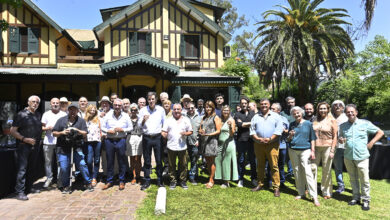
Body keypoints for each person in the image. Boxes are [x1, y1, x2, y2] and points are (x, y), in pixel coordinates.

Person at [339, 104, 384, 211]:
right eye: (348, 112)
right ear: (345, 114)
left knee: (364, 179)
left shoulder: (365, 124)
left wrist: (372, 142)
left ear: (356, 112)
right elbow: (341, 138)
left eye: (352, 111)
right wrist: (341, 140)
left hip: (362, 156)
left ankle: (366, 200)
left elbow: (380, 132)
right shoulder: (343, 126)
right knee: (353, 178)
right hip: (348, 156)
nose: (350, 113)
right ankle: (355, 197)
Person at [52, 103, 93, 194]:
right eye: (71, 109)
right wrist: (62, 132)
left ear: (78, 111)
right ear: (68, 110)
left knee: (82, 164)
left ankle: (88, 182)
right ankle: (66, 185)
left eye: (74, 109)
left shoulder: (81, 121)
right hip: (63, 148)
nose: (72, 111)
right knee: (64, 167)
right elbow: (54, 133)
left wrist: (77, 130)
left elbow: (85, 133)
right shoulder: (61, 120)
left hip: (76, 147)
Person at [11, 95, 42, 200]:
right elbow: (12, 131)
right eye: (33, 101)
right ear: (28, 102)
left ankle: (29, 188)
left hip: (35, 146)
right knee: (22, 169)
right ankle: (19, 191)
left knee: (31, 168)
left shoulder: (38, 114)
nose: (35, 104)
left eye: (37, 102)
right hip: (23, 146)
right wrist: (24, 139)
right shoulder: (21, 114)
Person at [287, 106, 320, 206]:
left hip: (305, 150)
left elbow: (313, 138)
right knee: (297, 171)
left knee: (308, 172)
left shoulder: (308, 124)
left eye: (298, 113)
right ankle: (301, 193)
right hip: (293, 150)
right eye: (294, 113)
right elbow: (288, 139)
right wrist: (291, 135)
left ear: (302, 113)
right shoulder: (292, 124)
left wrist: (313, 151)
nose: (296, 115)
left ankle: (314, 196)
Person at [250, 99, 283, 197]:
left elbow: (278, 130)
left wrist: (269, 139)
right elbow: (252, 130)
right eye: (262, 104)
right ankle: (260, 184)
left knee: (274, 166)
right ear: (259, 105)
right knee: (260, 165)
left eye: (266, 104)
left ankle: (276, 187)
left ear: (269, 105)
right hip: (258, 144)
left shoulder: (276, 116)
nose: (264, 105)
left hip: (272, 144)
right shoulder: (255, 117)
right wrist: (258, 139)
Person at [101, 99, 133, 190]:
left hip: (121, 140)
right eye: (115, 105)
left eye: (119, 105)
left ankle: (122, 180)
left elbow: (130, 128)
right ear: (113, 105)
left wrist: (123, 130)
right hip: (109, 140)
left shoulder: (126, 116)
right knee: (109, 161)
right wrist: (108, 130)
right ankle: (109, 181)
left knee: (121, 161)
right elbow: (102, 126)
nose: (117, 107)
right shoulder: (108, 115)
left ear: (122, 106)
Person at [138, 92, 166, 190]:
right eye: (149, 99)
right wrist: (143, 120)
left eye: (153, 99)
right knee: (147, 160)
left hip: (158, 137)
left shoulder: (161, 110)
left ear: (156, 99)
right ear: (147, 100)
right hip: (146, 137)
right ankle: (146, 181)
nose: (151, 101)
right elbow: (139, 125)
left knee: (159, 160)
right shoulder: (143, 110)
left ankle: (159, 180)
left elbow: (164, 123)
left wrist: (163, 132)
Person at [162, 104, 193, 190]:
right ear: (172, 110)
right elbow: (163, 131)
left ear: (181, 110)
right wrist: (164, 134)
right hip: (171, 146)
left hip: (182, 146)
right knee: (171, 165)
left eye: (178, 109)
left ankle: (182, 180)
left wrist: (185, 133)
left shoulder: (186, 120)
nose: (176, 111)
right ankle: (173, 181)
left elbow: (190, 131)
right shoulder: (168, 120)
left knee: (183, 164)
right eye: (175, 109)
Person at [312, 102, 338, 199]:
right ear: (318, 110)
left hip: (328, 147)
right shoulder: (315, 120)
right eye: (320, 108)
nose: (322, 110)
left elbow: (335, 136)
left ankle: (326, 191)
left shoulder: (332, 121)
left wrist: (332, 150)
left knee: (326, 170)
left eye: (324, 108)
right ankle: (312, 189)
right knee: (312, 168)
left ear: (328, 109)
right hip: (316, 147)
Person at [41, 97, 67, 188]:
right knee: (48, 161)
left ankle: (60, 179)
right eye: (53, 103)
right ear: (50, 104)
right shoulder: (46, 114)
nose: (55, 104)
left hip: (60, 141)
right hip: (48, 141)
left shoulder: (64, 114)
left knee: (60, 161)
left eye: (57, 103)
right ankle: (49, 178)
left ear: (59, 104)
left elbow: (66, 127)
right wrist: (47, 128)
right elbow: (42, 128)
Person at [234, 96, 257, 187]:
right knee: (241, 160)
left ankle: (254, 178)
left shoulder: (253, 114)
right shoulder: (237, 114)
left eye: (245, 103)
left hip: (251, 140)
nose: (243, 105)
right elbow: (239, 124)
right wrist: (249, 123)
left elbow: (255, 124)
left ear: (247, 104)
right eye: (242, 103)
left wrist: (244, 124)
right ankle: (241, 179)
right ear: (240, 104)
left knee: (252, 160)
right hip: (241, 140)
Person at [199, 101, 221, 189]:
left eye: (209, 107)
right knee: (207, 161)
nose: (207, 109)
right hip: (204, 141)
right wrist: (201, 131)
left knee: (211, 161)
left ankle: (211, 180)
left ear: (213, 108)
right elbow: (200, 127)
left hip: (212, 141)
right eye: (206, 107)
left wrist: (209, 134)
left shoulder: (215, 117)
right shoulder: (204, 117)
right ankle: (210, 178)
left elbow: (219, 130)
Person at [215, 105, 238, 188]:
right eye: (224, 110)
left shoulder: (231, 120)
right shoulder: (219, 119)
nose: (226, 112)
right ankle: (219, 177)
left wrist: (230, 126)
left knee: (226, 162)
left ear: (229, 111)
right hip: (220, 143)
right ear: (222, 111)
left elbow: (232, 134)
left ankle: (226, 182)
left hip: (228, 144)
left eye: (227, 110)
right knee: (218, 160)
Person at [270, 102, 289, 188]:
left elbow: (287, 131)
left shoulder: (284, 119)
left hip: (282, 145)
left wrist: (285, 131)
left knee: (281, 165)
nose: (271, 110)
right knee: (271, 164)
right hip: (271, 145)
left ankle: (281, 181)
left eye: (273, 109)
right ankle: (270, 181)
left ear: (278, 110)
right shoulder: (268, 118)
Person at [331, 100, 348, 193]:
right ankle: (340, 185)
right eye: (335, 105)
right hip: (335, 146)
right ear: (332, 107)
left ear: (343, 107)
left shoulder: (347, 117)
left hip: (346, 146)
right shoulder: (329, 117)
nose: (337, 107)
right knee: (338, 167)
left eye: (340, 105)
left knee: (351, 167)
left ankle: (355, 187)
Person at [84, 104, 102, 187]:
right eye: (91, 110)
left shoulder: (98, 119)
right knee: (89, 160)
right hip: (88, 141)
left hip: (97, 141)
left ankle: (95, 177)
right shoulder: (84, 120)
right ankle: (90, 176)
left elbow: (101, 129)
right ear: (88, 111)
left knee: (97, 160)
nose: (92, 111)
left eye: (94, 110)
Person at [126, 103, 143, 185]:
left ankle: (139, 176)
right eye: (132, 110)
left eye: (135, 110)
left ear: (137, 110)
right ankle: (134, 176)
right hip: (130, 137)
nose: (133, 111)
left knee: (138, 158)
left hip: (139, 137)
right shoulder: (127, 118)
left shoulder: (140, 119)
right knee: (132, 158)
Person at [186, 102, 202, 185]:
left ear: (195, 108)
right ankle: (183, 176)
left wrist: (198, 140)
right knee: (184, 161)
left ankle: (192, 176)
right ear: (186, 108)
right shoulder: (183, 117)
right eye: (189, 108)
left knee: (194, 160)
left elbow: (201, 130)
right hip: (184, 142)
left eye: (192, 108)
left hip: (195, 142)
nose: (190, 109)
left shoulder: (199, 118)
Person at [281, 96, 295, 178]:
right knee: (287, 155)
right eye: (289, 102)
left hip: (295, 136)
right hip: (285, 137)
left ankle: (293, 171)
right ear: (286, 103)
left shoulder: (297, 111)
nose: (290, 104)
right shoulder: (283, 113)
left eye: (292, 102)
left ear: (294, 102)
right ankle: (290, 171)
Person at [161, 99, 172, 177]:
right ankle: (164, 166)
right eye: (165, 104)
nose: (166, 105)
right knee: (162, 152)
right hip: (161, 135)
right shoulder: (161, 113)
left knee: (168, 152)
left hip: (169, 136)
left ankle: (168, 167)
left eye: (168, 104)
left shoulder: (172, 114)